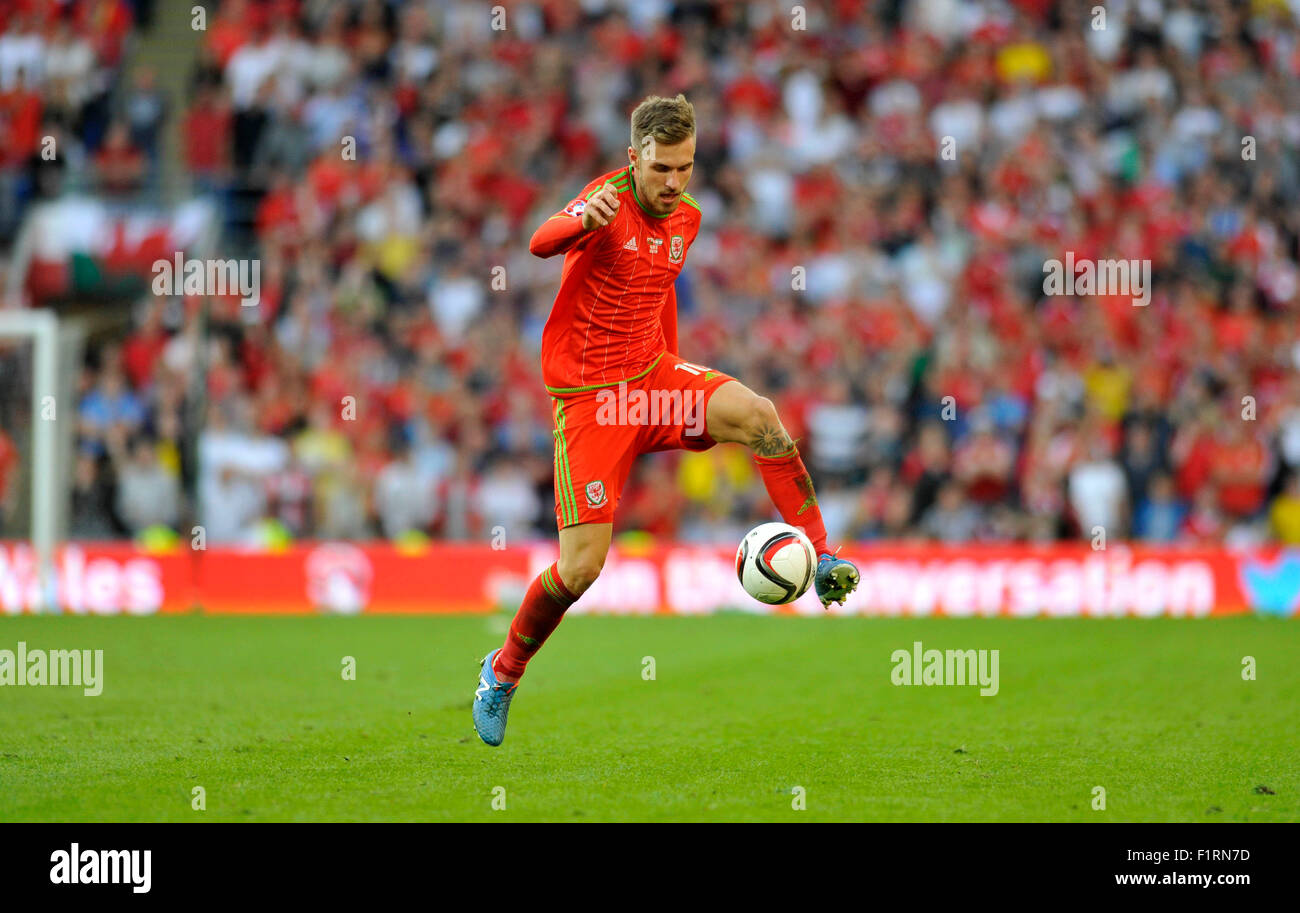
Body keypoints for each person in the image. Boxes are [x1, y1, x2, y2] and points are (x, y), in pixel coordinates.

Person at [471, 94, 860, 746]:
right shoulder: (604, 199)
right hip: (593, 400)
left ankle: (821, 552)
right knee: (581, 568)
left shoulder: (688, 218)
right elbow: (539, 242)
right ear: (633, 159)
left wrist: (676, 372)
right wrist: (578, 222)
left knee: (760, 415)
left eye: (685, 168)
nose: (674, 183)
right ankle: (503, 671)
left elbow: (658, 291)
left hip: (652, 381)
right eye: (661, 170)